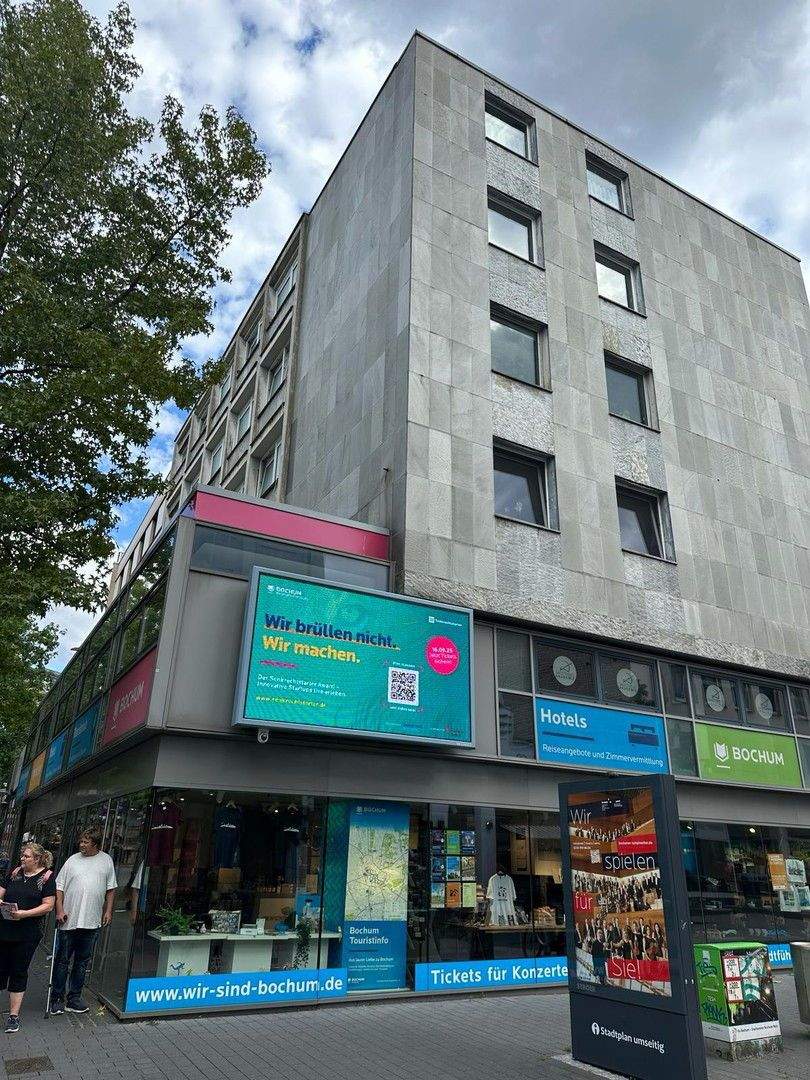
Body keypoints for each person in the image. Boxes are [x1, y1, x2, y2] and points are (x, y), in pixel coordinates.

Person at [50, 828, 116, 1015]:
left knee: (81, 963)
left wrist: (108, 911)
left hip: (91, 921)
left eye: (86, 842)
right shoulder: (72, 860)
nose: (82, 845)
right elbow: (59, 887)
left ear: (95, 844)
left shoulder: (106, 860)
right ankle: (56, 998)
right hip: (69, 920)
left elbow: (111, 889)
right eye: (81, 841)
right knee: (62, 961)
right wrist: (59, 909)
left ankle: (74, 998)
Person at [0, 843, 56, 1033]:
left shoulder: (47, 877)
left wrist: (24, 914)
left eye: (26, 856)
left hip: (27, 933)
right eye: (22, 855)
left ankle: (13, 1016)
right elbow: (1, 891)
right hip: (4, 928)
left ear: (37, 859)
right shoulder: (15, 873)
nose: (22, 859)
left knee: (18, 970)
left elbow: (48, 905)